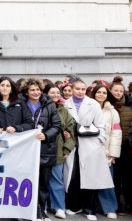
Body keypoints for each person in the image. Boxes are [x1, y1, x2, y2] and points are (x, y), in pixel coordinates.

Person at [64, 78, 115, 221]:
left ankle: (90, 209)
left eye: (83, 89)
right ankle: (74, 206)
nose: (80, 92)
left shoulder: (92, 104)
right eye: (77, 89)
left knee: (91, 179)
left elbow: (101, 125)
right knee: (74, 177)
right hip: (73, 145)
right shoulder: (66, 104)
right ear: (72, 89)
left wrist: (98, 142)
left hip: (91, 146)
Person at [20, 78, 61, 221]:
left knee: (43, 183)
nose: (36, 92)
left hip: (45, 149)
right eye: (32, 89)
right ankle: (27, 210)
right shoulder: (20, 104)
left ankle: (41, 210)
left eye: (38, 89)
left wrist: (46, 135)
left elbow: (56, 125)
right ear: (26, 91)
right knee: (26, 181)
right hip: (25, 149)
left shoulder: (49, 104)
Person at [90, 83, 121, 219]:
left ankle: (110, 208)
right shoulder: (88, 107)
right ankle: (91, 208)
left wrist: (113, 154)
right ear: (94, 93)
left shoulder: (112, 111)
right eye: (98, 92)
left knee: (107, 181)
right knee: (89, 181)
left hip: (106, 152)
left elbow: (116, 133)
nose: (101, 95)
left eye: (104, 93)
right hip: (89, 151)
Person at [45, 85, 76, 219]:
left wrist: (67, 148)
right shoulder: (41, 108)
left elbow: (71, 131)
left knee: (57, 179)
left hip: (58, 150)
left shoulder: (63, 111)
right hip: (43, 149)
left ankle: (59, 207)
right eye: (52, 92)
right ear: (46, 94)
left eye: (58, 93)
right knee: (42, 180)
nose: (56, 95)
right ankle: (43, 206)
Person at [111, 77, 132, 214]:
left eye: (120, 90)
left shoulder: (129, 105)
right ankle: (118, 205)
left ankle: (128, 203)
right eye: (115, 90)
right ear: (110, 91)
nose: (118, 93)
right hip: (113, 147)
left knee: (128, 177)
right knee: (115, 178)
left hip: (127, 147)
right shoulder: (108, 105)